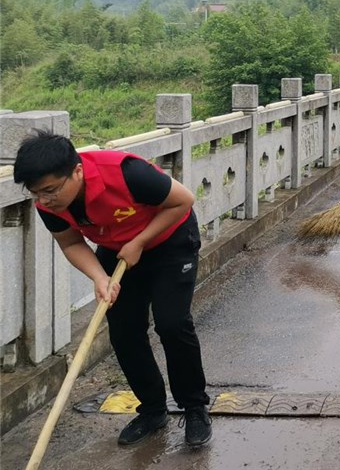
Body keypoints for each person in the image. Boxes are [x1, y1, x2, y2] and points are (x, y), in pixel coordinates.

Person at [13, 132, 212, 448]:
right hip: (118, 248)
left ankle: (195, 407)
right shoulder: (47, 203)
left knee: (172, 324)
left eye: (50, 190)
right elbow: (71, 242)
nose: (44, 200)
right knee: (124, 331)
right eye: (36, 193)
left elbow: (183, 200)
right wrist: (99, 277)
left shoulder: (127, 172)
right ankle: (152, 410)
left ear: (77, 171)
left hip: (168, 240)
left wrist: (139, 242)